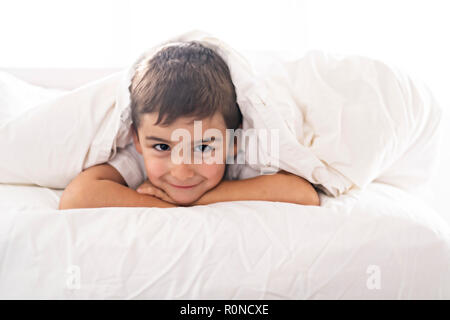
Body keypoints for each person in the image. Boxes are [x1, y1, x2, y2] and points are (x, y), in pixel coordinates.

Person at [59, 42, 319, 209]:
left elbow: (303, 194)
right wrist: (157, 206)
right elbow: (77, 196)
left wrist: (196, 200)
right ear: (137, 140)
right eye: (162, 146)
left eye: (204, 148)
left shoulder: (241, 158)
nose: (181, 171)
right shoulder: (138, 160)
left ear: (232, 142)